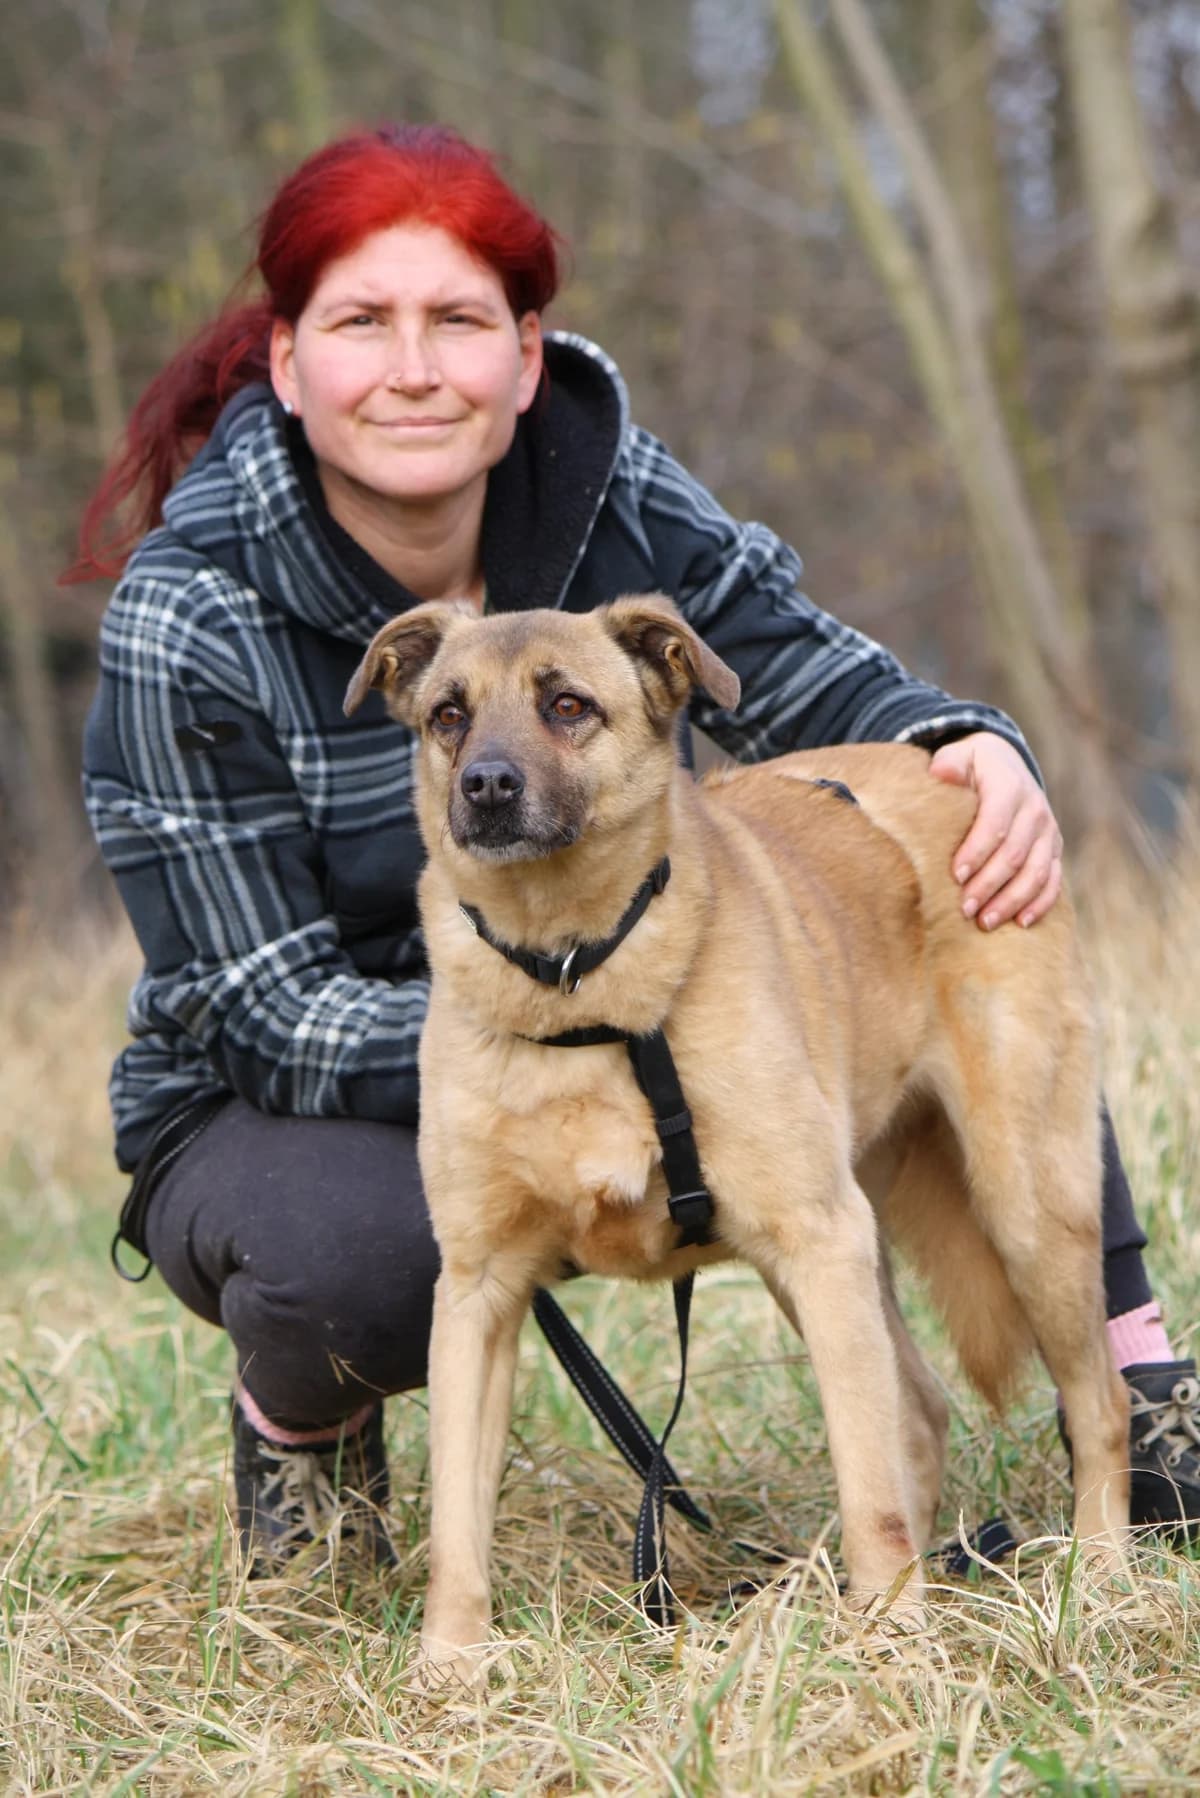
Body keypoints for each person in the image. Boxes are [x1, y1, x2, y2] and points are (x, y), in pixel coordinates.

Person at [77, 125, 1199, 1567]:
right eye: (362, 324)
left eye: (458, 321)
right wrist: (580, 1052)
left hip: (624, 986)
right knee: (363, 1254)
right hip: (293, 1090)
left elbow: (790, 662)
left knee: (980, 858)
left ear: (524, 356)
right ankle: (304, 1425)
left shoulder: (598, 483)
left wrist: (967, 741)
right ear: (288, 363)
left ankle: (1135, 1378)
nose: (414, 369)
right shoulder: (189, 612)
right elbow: (258, 1006)